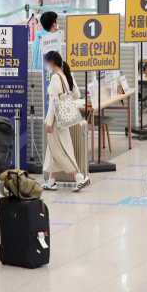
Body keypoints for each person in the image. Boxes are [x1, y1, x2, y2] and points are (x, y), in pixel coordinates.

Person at [42, 51, 90, 192]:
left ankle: (79, 176)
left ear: (52, 63)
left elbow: (53, 103)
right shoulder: (66, 75)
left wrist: (49, 123)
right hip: (65, 118)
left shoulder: (55, 79)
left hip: (56, 120)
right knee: (53, 149)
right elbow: (76, 94)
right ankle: (51, 182)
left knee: (57, 151)